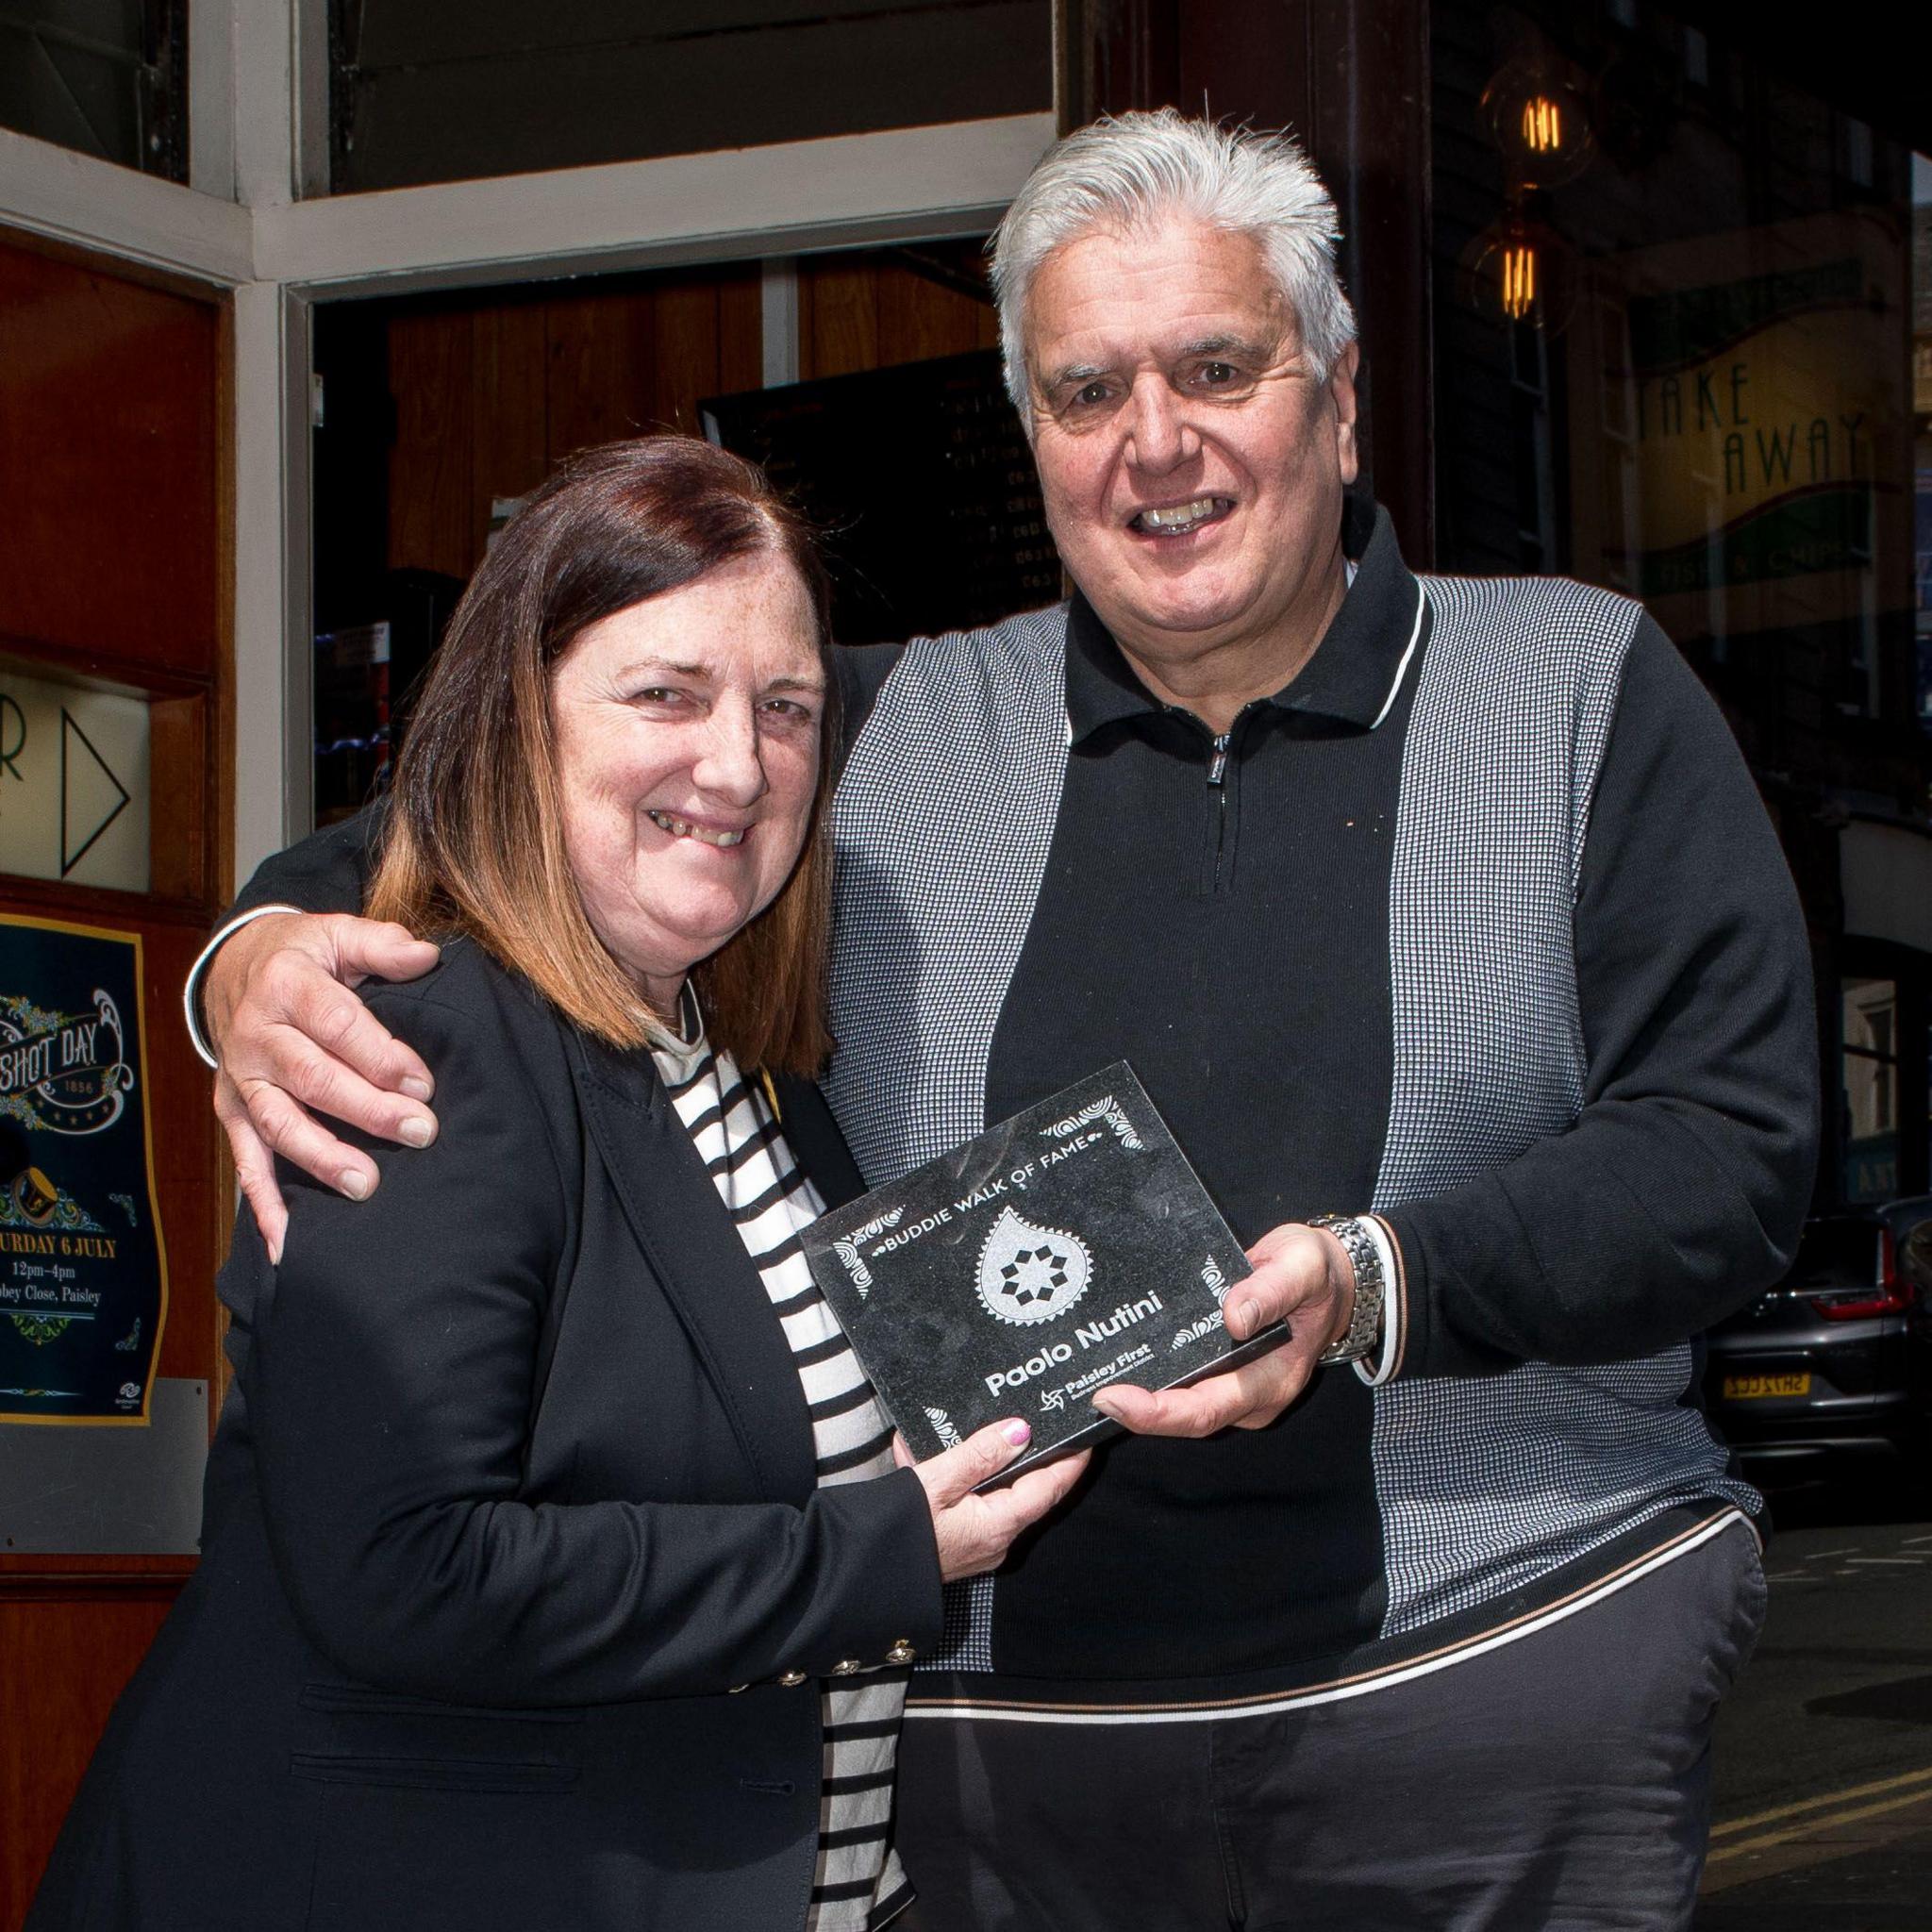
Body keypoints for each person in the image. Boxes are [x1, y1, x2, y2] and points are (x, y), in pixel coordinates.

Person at [191, 114, 1818, 1931]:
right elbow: (524, 800)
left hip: (1483, 1683)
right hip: (1001, 1761)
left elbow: (1729, 1152)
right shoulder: (877, 731)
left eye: (1219, 368)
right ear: (1035, 437)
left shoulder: (1578, 689)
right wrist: (256, 947)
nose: (1158, 444)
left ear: (1338, 398)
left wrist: (1379, 1278)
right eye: (1086, 388)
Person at [30, 438, 1086, 1932]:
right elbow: (406, 1569)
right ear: (514, 720)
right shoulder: (433, 1039)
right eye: (665, 694)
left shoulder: (741, 1070)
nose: (738, 763)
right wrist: (879, 1554)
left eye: (786, 709)